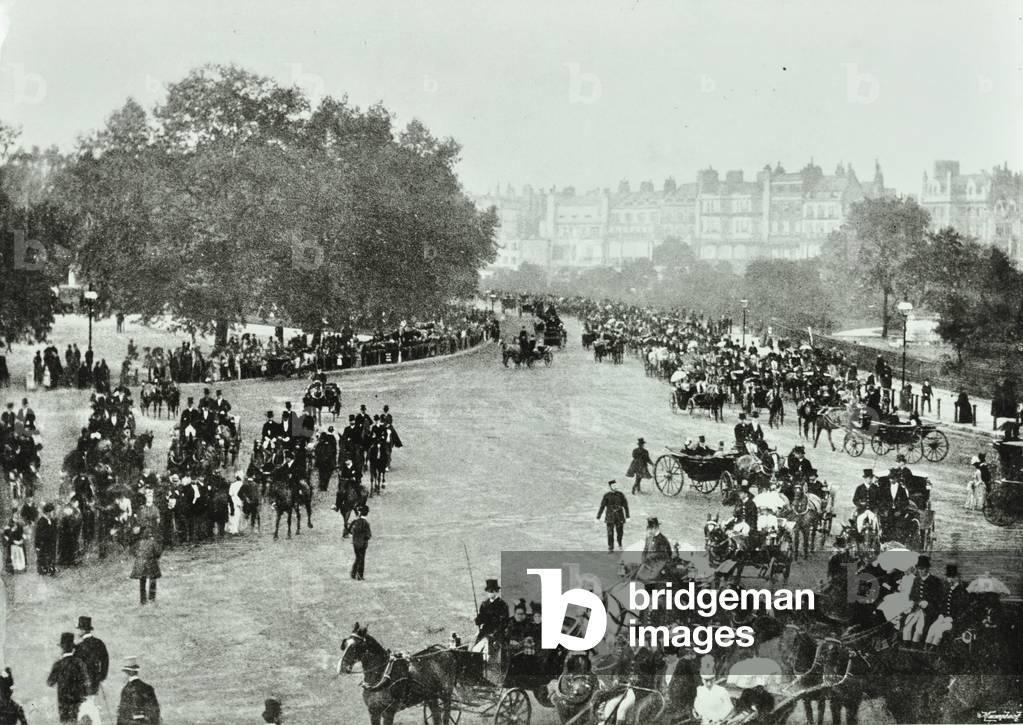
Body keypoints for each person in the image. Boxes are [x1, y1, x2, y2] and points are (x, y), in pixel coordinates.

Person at [47, 632, 91, 724]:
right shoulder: (79, 663)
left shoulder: (58, 665)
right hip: (77, 704)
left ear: (62, 648)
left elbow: (50, 682)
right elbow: (87, 683)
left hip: (63, 705)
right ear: (73, 649)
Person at [925, 564, 969, 648]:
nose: (949, 580)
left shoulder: (961, 591)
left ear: (957, 577)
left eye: (952, 577)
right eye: (948, 577)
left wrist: (953, 618)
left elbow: (962, 609)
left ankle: (933, 649)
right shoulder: (947, 589)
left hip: (954, 621)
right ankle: (926, 648)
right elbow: (943, 604)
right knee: (932, 628)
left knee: (939, 631)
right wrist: (941, 614)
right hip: (943, 617)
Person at [902, 555, 942, 643]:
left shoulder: (935, 581)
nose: (920, 571)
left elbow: (939, 599)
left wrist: (928, 603)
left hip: (929, 611)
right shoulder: (916, 580)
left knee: (919, 629)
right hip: (916, 609)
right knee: (907, 627)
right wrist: (912, 601)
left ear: (927, 569)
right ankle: (906, 649)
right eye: (919, 569)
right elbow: (912, 595)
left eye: (922, 569)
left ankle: (916, 648)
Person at [116, 657, 161, 725]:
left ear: (129, 672)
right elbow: (154, 711)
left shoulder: (125, 689)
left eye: (126, 672)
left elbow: (121, 714)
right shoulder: (147, 688)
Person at [473, 579, 508, 661]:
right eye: (488, 591)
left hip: (497, 633)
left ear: (497, 591)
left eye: (492, 591)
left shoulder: (502, 605)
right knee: (474, 648)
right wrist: (478, 620)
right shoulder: (484, 604)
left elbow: (503, 623)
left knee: (488, 653)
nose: (490, 593)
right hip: (484, 631)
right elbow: (481, 618)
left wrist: (495, 634)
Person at [74, 616, 109, 698]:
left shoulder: (79, 647)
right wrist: (102, 676)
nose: (78, 632)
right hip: (95, 681)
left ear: (83, 630)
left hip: (82, 683)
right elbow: (105, 660)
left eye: (79, 629)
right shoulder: (99, 643)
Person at [693, 655, 733, 725]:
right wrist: (700, 715)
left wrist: (720, 719)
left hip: (719, 722)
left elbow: (729, 707)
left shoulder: (721, 691)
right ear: (702, 679)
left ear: (714, 678)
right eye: (706, 680)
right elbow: (696, 706)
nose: (709, 683)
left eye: (711, 680)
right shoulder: (698, 691)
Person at [596, 480, 629, 552]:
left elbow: (625, 506)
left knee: (620, 532)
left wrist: (627, 516)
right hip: (610, 517)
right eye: (613, 486)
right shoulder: (607, 495)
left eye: (616, 486)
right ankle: (611, 547)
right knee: (610, 533)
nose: (615, 487)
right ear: (610, 487)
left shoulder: (621, 495)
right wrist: (598, 517)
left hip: (619, 517)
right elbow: (602, 506)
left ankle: (620, 544)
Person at [130, 529, 162, 605]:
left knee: (142, 581)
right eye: (151, 535)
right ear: (150, 536)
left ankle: (143, 600)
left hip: (140, 563)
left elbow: (133, 552)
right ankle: (151, 599)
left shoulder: (139, 543)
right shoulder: (153, 543)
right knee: (153, 580)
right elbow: (158, 553)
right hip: (150, 563)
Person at [348, 504, 371, 580]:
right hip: (363, 544)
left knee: (358, 558)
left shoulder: (355, 521)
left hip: (355, 543)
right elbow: (368, 535)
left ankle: (353, 573)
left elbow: (349, 530)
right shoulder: (366, 523)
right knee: (361, 559)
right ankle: (359, 575)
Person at [35, 502, 57, 575]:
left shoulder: (52, 520)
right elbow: (39, 535)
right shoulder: (42, 521)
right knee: (44, 556)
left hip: (51, 543)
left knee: (51, 555)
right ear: (48, 512)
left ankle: (51, 567)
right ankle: (45, 569)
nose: (53, 513)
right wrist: (37, 545)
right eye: (52, 512)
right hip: (44, 544)